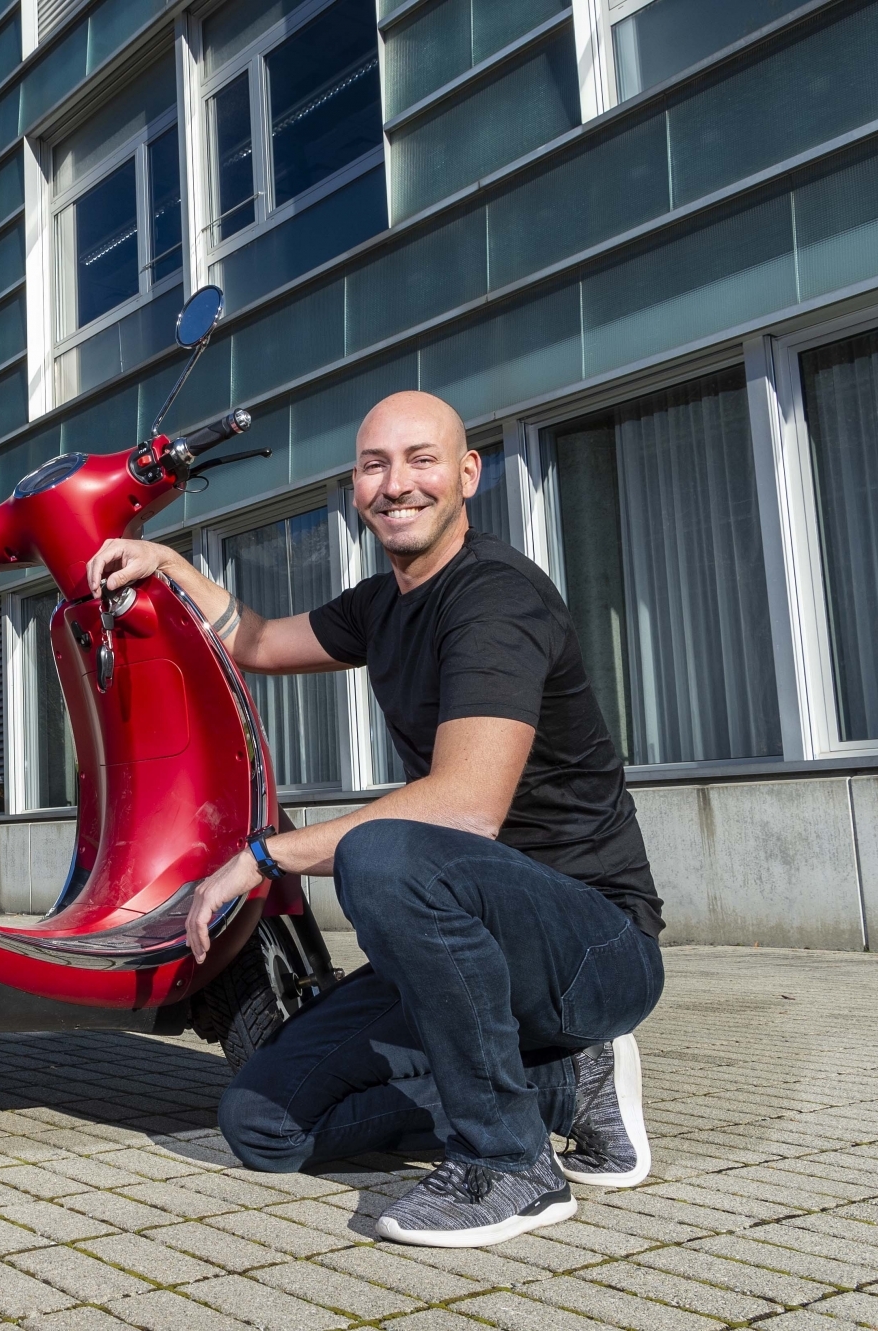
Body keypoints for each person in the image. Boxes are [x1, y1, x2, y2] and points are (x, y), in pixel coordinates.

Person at [86, 391, 663, 1249]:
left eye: (421, 459)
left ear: (467, 473)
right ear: (354, 487)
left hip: (592, 947)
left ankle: (510, 1166)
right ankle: (556, 1084)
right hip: (468, 942)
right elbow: (255, 640)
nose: (398, 484)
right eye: (374, 464)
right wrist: (167, 561)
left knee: (386, 853)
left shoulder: (496, 599)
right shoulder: (379, 604)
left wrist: (261, 856)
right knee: (261, 1121)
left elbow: (465, 806)